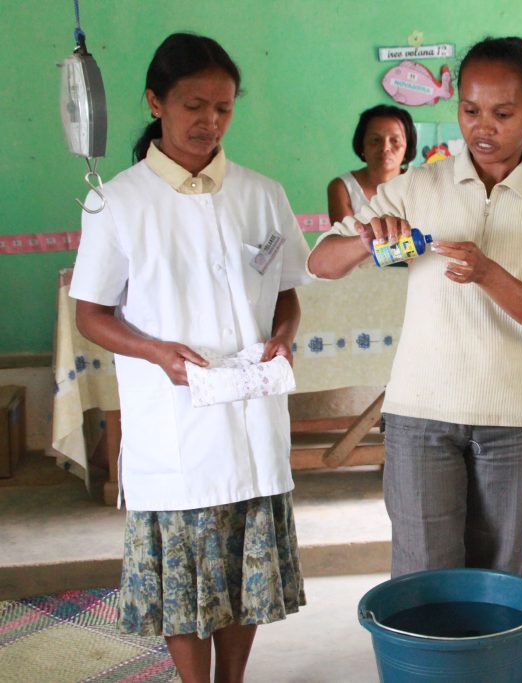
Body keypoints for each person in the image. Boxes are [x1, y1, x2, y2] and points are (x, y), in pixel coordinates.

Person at [70, 33, 310, 683]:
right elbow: (89, 314)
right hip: (172, 424)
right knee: (183, 580)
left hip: (253, 417)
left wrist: (281, 336)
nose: (209, 121)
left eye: (224, 108)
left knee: (246, 573)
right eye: (193, 105)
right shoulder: (116, 202)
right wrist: (152, 350)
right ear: (155, 102)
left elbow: (287, 292)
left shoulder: (262, 194)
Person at [307, 36, 522, 577]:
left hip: (511, 417)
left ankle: (490, 667)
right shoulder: (420, 186)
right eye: (470, 110)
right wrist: (369, 238)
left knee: (498, 579)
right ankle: (427, 667)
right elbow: (321, 263)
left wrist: (486, 273)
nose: (484, 127)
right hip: (421, 413)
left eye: (503, 113)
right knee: (423, 578)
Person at [327, 104, 417, 223]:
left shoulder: (420, 183)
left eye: (395, 140)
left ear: (407, 146)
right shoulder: (342, 188)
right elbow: (344, 238)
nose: (385, 148)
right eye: (375, 140)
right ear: (362, 145)